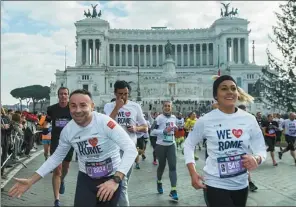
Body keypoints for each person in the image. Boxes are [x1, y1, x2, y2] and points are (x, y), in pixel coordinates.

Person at [8, 89, 138, 207]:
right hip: (86, 179)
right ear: (69, 107)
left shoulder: (105, 123)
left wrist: (116, 180)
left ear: (92, 106)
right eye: (73, 106)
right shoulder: (68, 130)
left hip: (110, 178)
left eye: (83, 105)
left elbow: (131, 150)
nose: (77, 110)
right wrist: (31, 180)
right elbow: (56, 157)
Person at [184, 75, 266, 207]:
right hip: (215, 183)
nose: (229, 92)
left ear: (237, 93)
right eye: (224, 88)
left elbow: (261, 148)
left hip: (241, 184)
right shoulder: (205, 120)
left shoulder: (249, 119)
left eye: (233, 88)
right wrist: (193, 173)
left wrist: (257, 158)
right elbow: (188, 144)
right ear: (216, 95)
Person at [104, 80, 147, 207]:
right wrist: (117, 107)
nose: (123, 97)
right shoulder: (109, 106)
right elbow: (105, 125)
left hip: (129, 150)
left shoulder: (135, 106)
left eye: (126, 94)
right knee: (121, 183)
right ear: (115, 93)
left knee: (122, 183)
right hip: (113, 149)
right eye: (120, 94)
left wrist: (136, 128)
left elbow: (145, 127)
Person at [46, 87, 75, 207]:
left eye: (65, 94)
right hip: (56, 142)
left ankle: (62, 180)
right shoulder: (52, 109)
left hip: (69, 142)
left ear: (68, 96)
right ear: (58, 96)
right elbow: (47, 121)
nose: (63, 96)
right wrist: (45, 127)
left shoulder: (72, 108)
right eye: (61, 94)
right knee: (57, 170)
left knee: (65, 168)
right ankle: (56, 200)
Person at [150, 101, 179, 201]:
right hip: (161, 145)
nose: (167, 108)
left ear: (171, 107)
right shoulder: (159, 118)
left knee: (173, 167)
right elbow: (152, 131)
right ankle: (159, 181)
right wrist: (163, 131)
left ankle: (173, 190)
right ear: (162, 108)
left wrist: (175, 129)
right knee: (162, 166)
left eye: (169, 106)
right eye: (165, 106)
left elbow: (173, 129)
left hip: (171, 144)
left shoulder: (174, 118)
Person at [237, 104, 258, 192]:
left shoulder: (249, 120)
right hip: (234, 147)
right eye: (243, 111)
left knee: (245, 164)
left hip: (245, 148)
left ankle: (249, 182)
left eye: (246, 110)